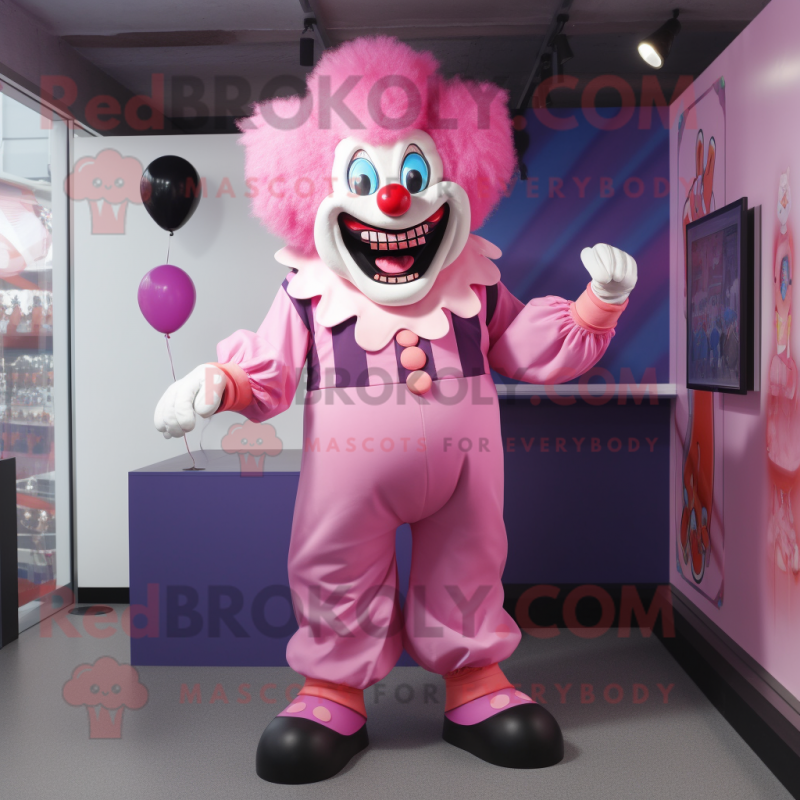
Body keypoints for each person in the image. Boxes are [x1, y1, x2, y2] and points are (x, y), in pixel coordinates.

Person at [152, 38, 638, 784]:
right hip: (347, 482)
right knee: (334, 564)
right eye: (365, 179)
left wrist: (593, 309)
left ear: (456, 174)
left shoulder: (475, 281)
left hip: (465, 479)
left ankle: (475, 681)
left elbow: (523, 347)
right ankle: (333, 689)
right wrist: (221, 381)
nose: (391, 201)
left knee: (471, 560)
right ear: (314, 188)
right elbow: (270, 371)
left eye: (413, 175)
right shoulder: (308, 290)